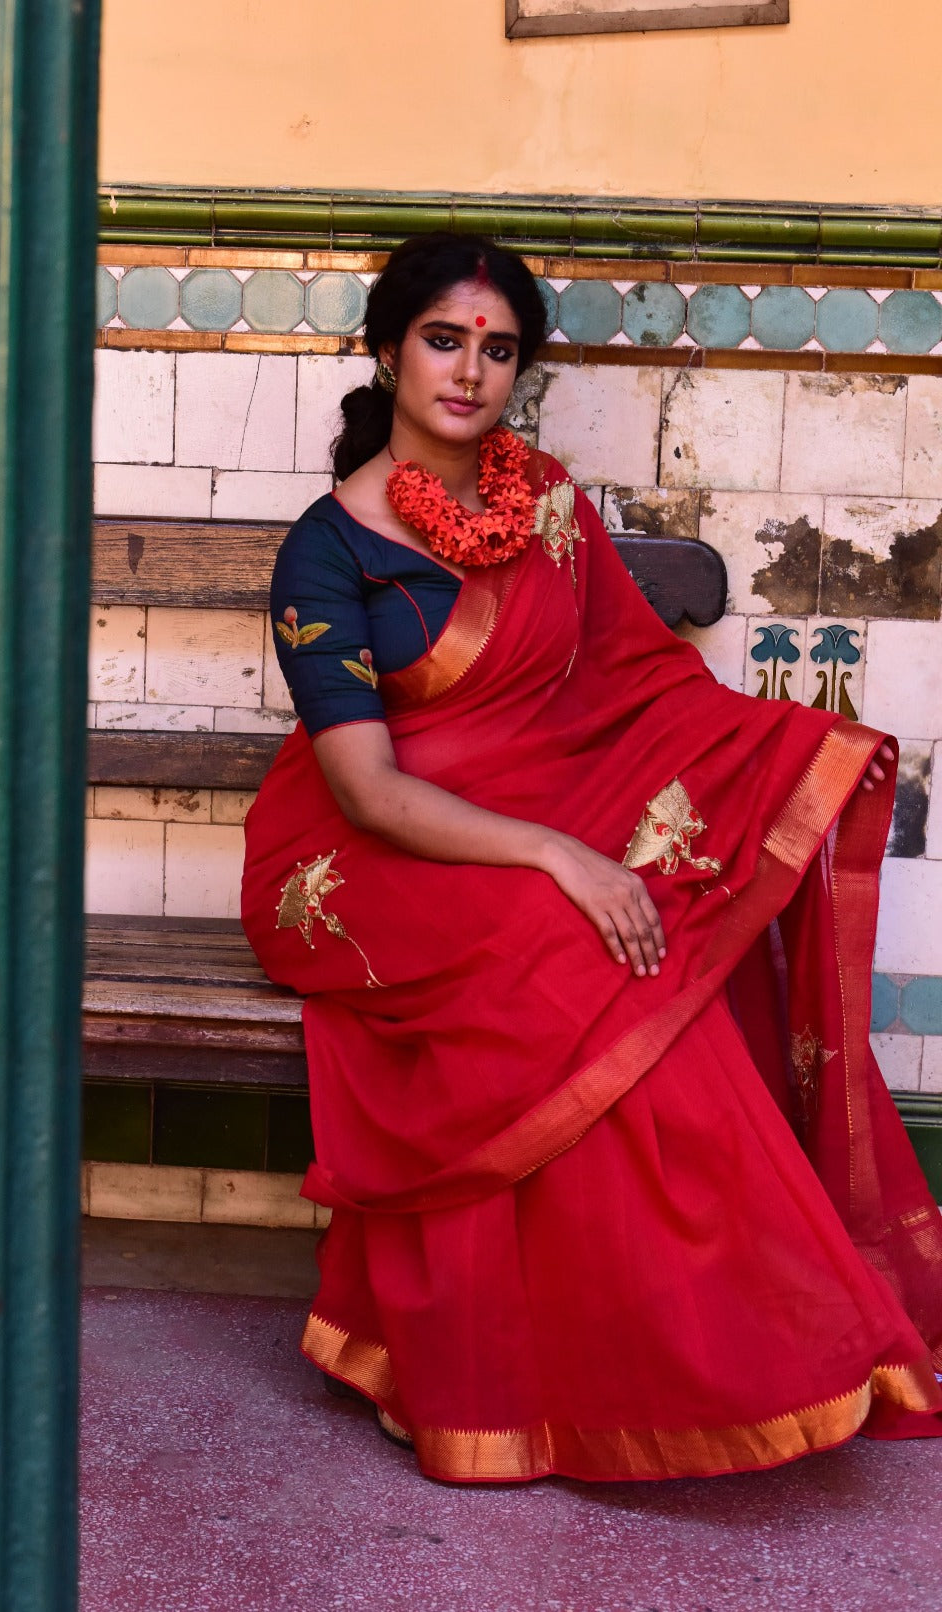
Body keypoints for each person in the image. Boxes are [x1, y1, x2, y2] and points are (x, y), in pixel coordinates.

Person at [240, 232, 942, 1483]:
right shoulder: (328, 550)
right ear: (390, 348)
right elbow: (368, 787)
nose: (469, 371)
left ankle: (692, 1340)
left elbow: (633, 686)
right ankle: (480, 1363)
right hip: (355, 859)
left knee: (664, 921)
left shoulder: (547, 503)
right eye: (444, 340)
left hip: (527, 820)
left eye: (497, 349)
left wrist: (787, 755)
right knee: (566, 939)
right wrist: (567, 858)